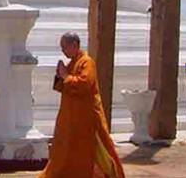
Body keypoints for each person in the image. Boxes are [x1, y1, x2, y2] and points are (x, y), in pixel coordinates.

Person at [39, 32, 125, 178]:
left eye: (64, 47)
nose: (63, 51)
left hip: (87, 119)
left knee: (95, 150)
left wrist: (65, 76)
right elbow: (62, 87)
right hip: (71, 119)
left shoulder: (87, 62)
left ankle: (110, 173)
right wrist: (59, 76)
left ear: (74, 45)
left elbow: (84, 85)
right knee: (65, 150)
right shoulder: (72, 63)